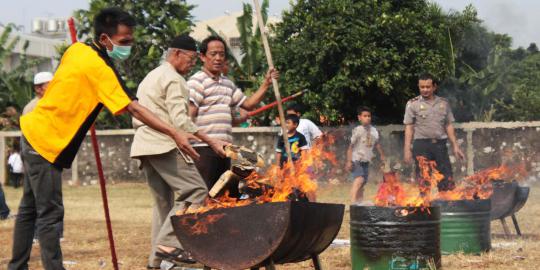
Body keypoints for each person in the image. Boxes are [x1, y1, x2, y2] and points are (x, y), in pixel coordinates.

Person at [9, 8, 201, 270]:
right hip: (46, 142)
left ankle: (16, 266)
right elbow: (134, 107)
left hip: (32, 132)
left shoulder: (77, 49)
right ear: (104, 39)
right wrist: (175, 132)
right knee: (50, 214)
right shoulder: (99, 68)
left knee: (29, 210)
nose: (128, 47)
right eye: (123, 42)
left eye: (131, 40)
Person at [131, 34, 227, 268]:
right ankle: (168, 245)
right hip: (162, 143)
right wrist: (211, 141)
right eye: (192, 58)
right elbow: (181, 122)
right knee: (195, 192)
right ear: (176, 54)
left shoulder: (151, 76)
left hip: (144, 145)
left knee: (163, 204)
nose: (193, 64)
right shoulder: (174, 79)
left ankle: (155, 262)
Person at [187, 35, 279, 192]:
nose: (218, 58)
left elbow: (248, 104)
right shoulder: (197, 82)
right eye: (213, 54)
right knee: (205, 195)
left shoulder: (227, 84)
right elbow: (188, 117)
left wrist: (266, 84)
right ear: (202, 57)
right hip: (203, 148)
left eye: (221, 54)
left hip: (225, 149)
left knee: (223, 195)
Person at [403, 73, 465, 192]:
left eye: (428, 86)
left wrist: (455, 146)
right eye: (422, 87)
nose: (425, 90)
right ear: (418, 86)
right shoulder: (412, 104)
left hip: (440, 146)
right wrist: (407, 150)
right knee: (423, 179)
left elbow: (448, 125)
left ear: (434, 87)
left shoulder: (444, 103)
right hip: (421, 146)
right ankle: (425, 207)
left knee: (446, 178)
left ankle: (446, 206)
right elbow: (409, 127)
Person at [345, 107, 385, 203]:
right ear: (359, 118)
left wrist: (382, 155)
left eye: (369, 116)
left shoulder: (374, 131)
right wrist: (349, 161)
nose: (367, 118)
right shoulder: (357, 130)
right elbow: (350, 147)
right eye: (365, 116)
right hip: (357, 159)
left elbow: (377, 144)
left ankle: (359, 203)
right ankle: (353, 202)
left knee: (362, 184)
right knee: (359, 179)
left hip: (366, 160)